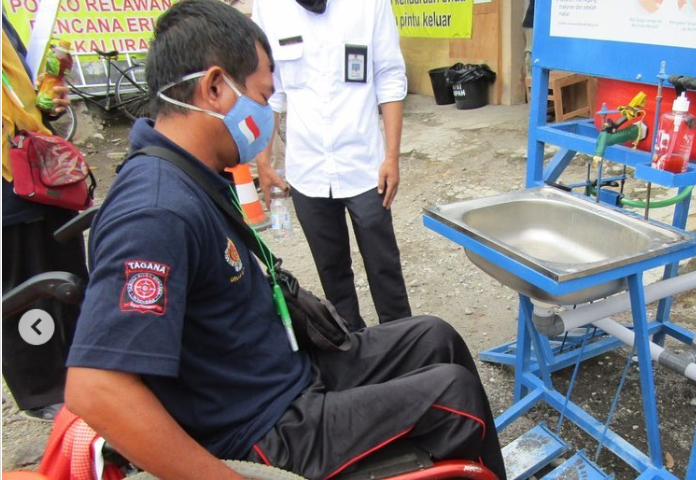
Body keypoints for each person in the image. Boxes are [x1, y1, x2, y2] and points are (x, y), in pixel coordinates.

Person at [64, 2, 506, 480]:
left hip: (288, 372)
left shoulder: (192, 175)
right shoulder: (156, 211)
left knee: (433, 335)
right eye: (261, 97)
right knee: (453, 394)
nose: (267, 118)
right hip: (264, 425)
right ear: (215, 88)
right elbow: (95, 388)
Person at [252, 0, 411, 331]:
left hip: (365, 167)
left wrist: (392, 156)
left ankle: (404, 347)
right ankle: (353, 352)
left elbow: (389, 77)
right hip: (306, 170)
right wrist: (263, 161)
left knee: (384, 268)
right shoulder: (270, 7)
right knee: (332, 272)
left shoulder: (370, 5)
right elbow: (272, 91)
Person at [2, 11, 87, 422]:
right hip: (7, 188)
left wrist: (45, 104)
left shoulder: (4, 23)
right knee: (27, 290)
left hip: (40, 170)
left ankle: (83, 370)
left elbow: (21, 93)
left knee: (69, 275)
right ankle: (44, 388)